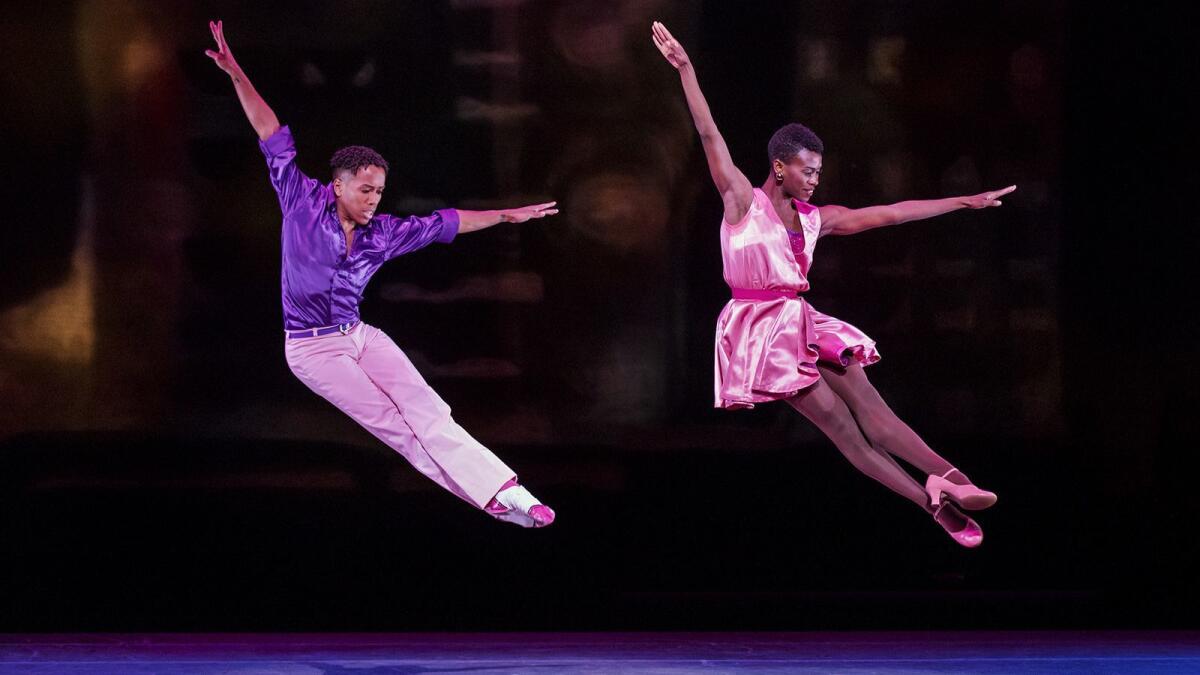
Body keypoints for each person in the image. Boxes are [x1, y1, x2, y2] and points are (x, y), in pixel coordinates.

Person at [652, 21, 1008, 547]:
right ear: (780, 166)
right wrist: (686, 68)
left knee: (873, 412)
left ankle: (948, 481)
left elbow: (887, 214)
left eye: (819, 171)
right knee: (843, 429)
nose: (816, 179)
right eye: (808, 170)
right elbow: (709, 135)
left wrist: (962, 202)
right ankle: (928, 500)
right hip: (762, 334)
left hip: (803, 321)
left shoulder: (818, 218)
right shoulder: (741, 203)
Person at [206, 20, 556, 527]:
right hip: (311, 348)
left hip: (360, 335)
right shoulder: (301, 200)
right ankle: (494, 503)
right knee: (395, 424)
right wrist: (236, 73)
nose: (374, 199)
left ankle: (510, 491)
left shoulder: (384, 232)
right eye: (366, 190)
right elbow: (270, 131)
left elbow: (448, 222)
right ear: (339, 184)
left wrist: (505, 215)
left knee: (429, 409)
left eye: (379, 191)